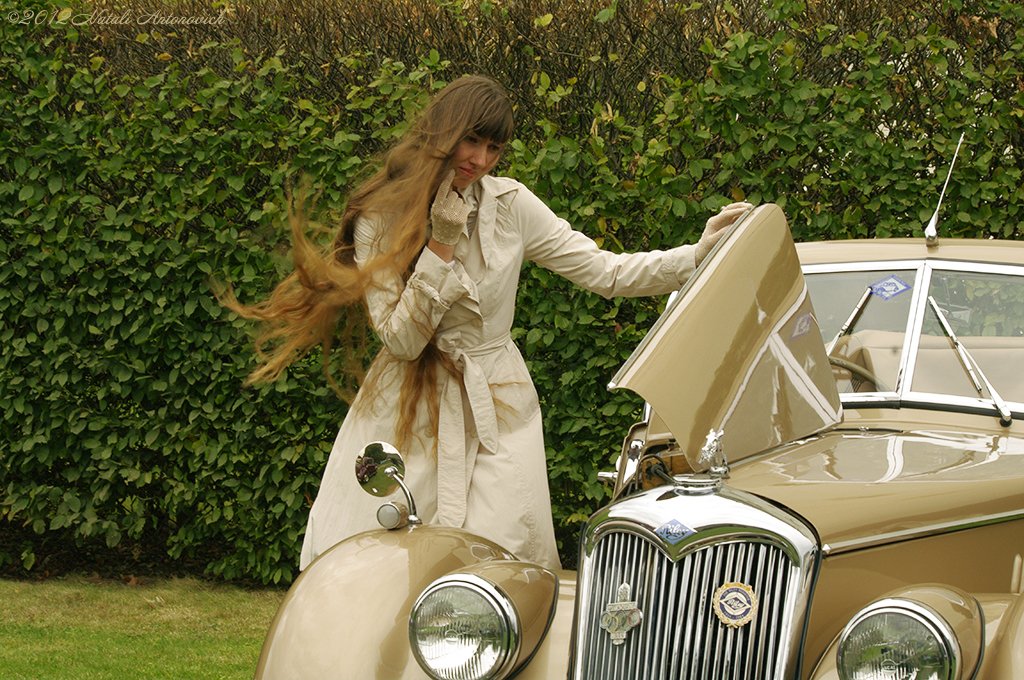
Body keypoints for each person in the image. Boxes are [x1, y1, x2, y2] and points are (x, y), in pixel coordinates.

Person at [223, 75, 750, 572]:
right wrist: (442, 243)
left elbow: (604, 270)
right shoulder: (378, 219)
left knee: (506, 552)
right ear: (440, 134)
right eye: (471, 141)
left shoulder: (511, 205)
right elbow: (403, 341)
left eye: (494, 148)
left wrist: (696, 255)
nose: (480, 159)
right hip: (407, 408)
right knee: (387, 560)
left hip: (497, 402)